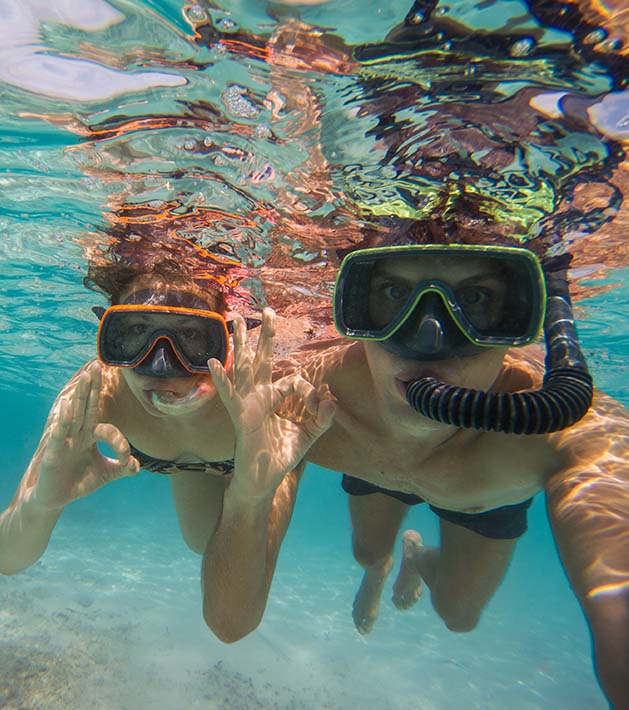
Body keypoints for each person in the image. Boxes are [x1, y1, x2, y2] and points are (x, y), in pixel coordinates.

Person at [201, 219, 628, 710]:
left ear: (522, 314)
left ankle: (418, 558)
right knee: (366, 552)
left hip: (478, 498)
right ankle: (380, 568)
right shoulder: (305, 398)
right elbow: (229, 623)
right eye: (391, 294)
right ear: (355, 306)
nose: (427, 337)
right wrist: (249, 497)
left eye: (476, 300)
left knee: (458, 613)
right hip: (371, 465)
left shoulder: (567, 429)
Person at [0, 227, 334, 575]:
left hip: (257, 456)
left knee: (345, 549)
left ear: (228, 337)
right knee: (202, 543)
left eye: (191, 336)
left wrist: (257, 490)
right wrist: (40, 505)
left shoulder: (267, 385)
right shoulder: (94, 394)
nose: (161, 367)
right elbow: (7, 560)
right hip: (202, 458)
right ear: (109, 335)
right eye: (136, 333)